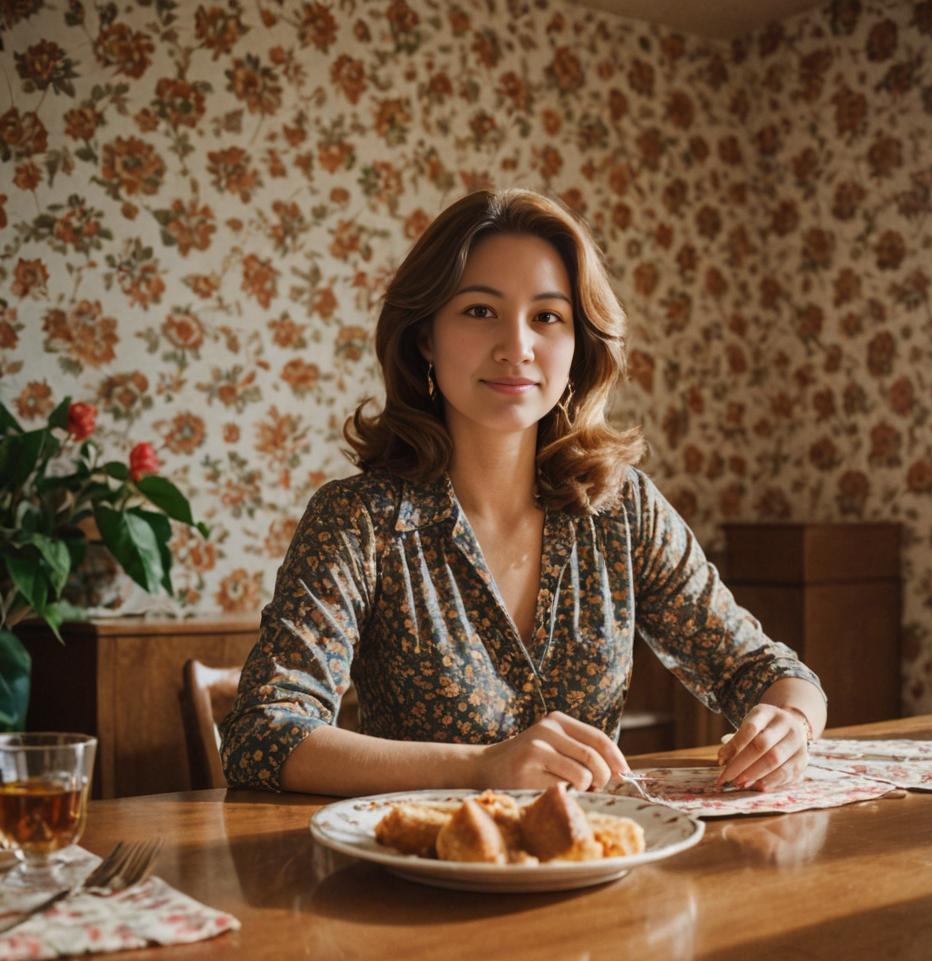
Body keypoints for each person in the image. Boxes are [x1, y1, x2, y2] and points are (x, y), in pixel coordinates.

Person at [220, 188, 826, 797]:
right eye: (480, 311)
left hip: (594, 870)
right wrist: (479, 767)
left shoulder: (623, 510)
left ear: (578, 345)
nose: (517, 347)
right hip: (422, 870)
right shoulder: (359, 520)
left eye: (547, 317)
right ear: (425, 337)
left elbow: (765, 670)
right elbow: (263, 734)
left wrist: (790, 723)